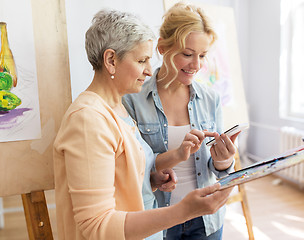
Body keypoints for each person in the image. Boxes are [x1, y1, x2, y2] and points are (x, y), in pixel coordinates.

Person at [53, 9, 233, 240]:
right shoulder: (88, 120)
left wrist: (150, 180)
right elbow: (96, 225)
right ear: (111, 60)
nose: (149, 70)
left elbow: (125, 176)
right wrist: (184, 211)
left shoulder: (116, 109)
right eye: (141, 61)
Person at [122, 3, 239, 239]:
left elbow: (218, 171)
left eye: (202, 55)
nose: (196, 65)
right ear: (163, 47)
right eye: (187, 54)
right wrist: (175, 155)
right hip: (156, 221)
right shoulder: (133, 99)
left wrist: (224, 160)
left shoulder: (210, 99)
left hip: (205, 219)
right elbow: (131, 169)